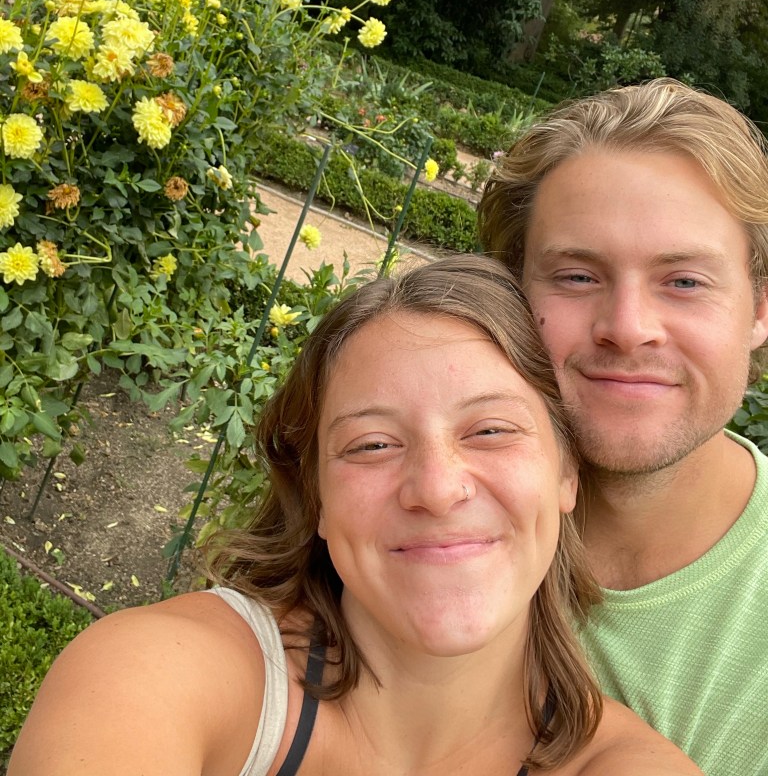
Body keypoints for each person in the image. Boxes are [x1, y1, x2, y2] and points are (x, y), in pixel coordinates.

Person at [9, 256, 700, 776]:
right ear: (316, 496)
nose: (436, 488)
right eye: (372, 445)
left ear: (566, 473)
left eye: (491, 430)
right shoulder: (159, 674)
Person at [477, 78, 768, 776]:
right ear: (509, 294)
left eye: (685, 282)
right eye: (578, 277)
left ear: (760, 310)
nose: (628, 328)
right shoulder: (416, 507)